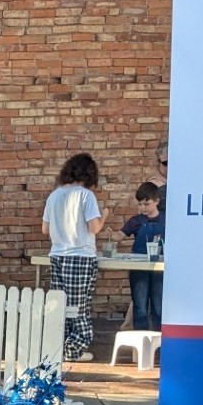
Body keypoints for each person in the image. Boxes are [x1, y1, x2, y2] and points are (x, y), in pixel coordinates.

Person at [42, 152, 110, 362]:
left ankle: (58, 346)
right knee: (79, 304)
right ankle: (75, 349)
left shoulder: (54, 195)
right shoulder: (85, 196)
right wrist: (105, 214)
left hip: (57, 254)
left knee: (60, 303)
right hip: (80, 254)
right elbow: (94, 227)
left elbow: (45, 229)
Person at [120, 181, 164, 330]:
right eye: (140, 204)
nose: (142, 208)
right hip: (138, 268)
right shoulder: (135, 221)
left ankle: (160, 341)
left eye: (146, 204)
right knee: (140, 306)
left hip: (160, 269)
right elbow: (119, 236)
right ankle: (141, 340)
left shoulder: (167, 220)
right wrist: (109, 234)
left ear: (157, 201)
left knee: (159, 306)